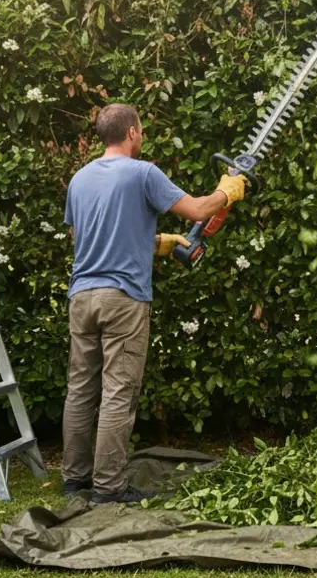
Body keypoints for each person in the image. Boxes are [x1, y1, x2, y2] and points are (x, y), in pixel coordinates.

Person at [61, 103, 246, 503]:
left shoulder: (79, 179)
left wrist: (157, 243)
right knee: (117, 392)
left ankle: (75, 480)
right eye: (141, 130)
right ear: (130, 133)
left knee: (80, 389)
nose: (142, 136)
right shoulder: (143, 173)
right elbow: (197, 210)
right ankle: (108, 487)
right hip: (123, 299)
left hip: (82, 296)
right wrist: (226, 192)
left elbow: (84, 239)